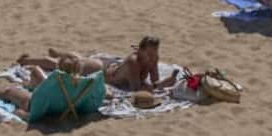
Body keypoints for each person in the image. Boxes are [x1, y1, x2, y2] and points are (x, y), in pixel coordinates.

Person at [19, 36, 176, 91]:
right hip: (101, 71)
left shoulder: (153, 59)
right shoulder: (133, 62)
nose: (152, 56)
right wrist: (161, 85)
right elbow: (136, 88)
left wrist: (161, 83)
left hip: (111, 66)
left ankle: (59, 53)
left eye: (154, 53)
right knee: (67, 64)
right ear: (140, 51)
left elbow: (154, 80)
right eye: (149, 53)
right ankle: (26, 60)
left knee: (79, 60)